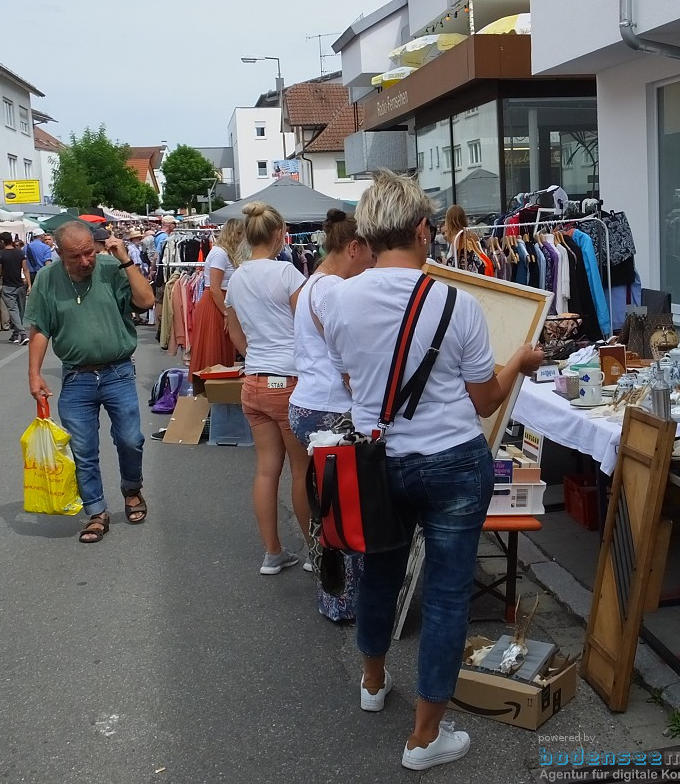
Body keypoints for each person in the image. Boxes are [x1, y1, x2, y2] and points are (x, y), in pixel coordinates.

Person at [323, 170, 543, 771]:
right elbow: (483, 400)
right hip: (451, 461)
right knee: (447, 596)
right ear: (423, 230)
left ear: (367, 234)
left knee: (378, 575)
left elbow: (350, 377)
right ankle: (424, 738)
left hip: (378, 462)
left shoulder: (341, 299)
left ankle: (372, 684)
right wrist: (519, 361)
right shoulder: (458, 304)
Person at [25, 221, 155, 544]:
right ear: (59, 253)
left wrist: (124, 257)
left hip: (118, 372)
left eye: (88, 253)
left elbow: (147, 300)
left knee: (130, 439)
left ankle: (132, 488)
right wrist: (34, 373)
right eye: (76, 257)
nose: (85, 261)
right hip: (76, 377)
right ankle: (96, 511)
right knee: (82, 449)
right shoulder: (47, 280)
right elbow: (40, 328)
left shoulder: (110, 268)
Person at [289, 209, 374, 618]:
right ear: (354, 248)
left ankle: (336, 596)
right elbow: (346, 357)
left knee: (330, 512)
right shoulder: (333, 290)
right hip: (330, 410)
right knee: (344, 513)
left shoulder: (314, 284)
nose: (374, 263)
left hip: (311, 403)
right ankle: (344, 602)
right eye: (370, 253)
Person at [224, 202, 309, 575]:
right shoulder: (287, 273)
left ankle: (272, 553)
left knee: (265, 470)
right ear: (279, 235)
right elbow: (308, 325)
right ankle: (315, 553)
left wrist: (253, 354)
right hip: (288, 382)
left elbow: (233, 328)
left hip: (254, 380)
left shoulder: (238, 276)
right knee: (301, 470)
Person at [188, 218, 244, 377]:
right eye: (241, 234)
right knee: (213, 349)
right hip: (216, 304)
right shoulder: (220, 253)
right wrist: (226, 313)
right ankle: (211, 391)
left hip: (221, 302)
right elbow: (214, 288)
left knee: (222, 348)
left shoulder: (226, 253)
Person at [0, 232, 31, 345]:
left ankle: (22, 333)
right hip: (21, 285)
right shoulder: (20, 253)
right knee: (21, 311)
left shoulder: (0, 254)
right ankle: (15, 335)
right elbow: (25, 269)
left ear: (2, 241)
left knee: (13, 310)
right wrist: (29, 284)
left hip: (8, 285)